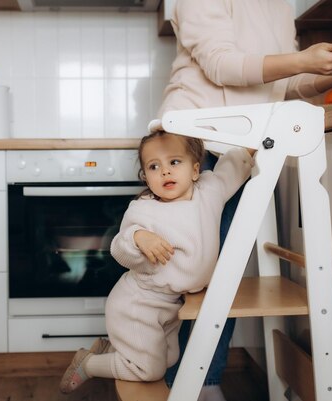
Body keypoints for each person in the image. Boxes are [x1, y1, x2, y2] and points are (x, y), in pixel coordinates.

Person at [156, 1, 332, 400]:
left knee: (218, 270)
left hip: (247, 142)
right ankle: (181, 377)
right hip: (195, 139)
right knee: (192, 270)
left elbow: (283, 85)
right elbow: (222, 65)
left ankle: (198, 381)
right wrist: (303, 60)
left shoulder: (279, 3)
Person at [59, 131, 255, 394]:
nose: (165, 172)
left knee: (170, 358)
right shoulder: (144, 209)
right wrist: (139, 237)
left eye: (174, 162)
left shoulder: (209, 191)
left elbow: (233, 167)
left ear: (195, 170)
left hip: (170, 305)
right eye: (154, 166)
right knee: (150, 369)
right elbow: (119, 248)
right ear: (145, 177)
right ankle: (90, 364)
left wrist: (253, 147)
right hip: (138, 304)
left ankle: (110, 350)